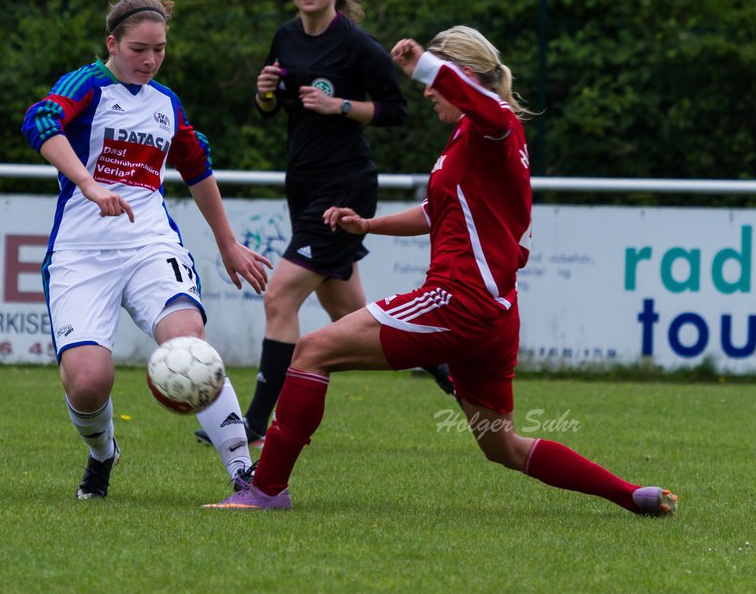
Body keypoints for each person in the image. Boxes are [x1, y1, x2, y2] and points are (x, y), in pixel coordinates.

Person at [207, 25, 677, 516]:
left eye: (436, 82)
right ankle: (632, 495)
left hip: (459, 299)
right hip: (493, 315)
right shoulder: (471, 140)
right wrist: (367, 223)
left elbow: (489, 109)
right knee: (504, 446)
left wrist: (425, 66)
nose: (429, 93)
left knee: (311, 350)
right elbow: (436, 212)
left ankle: (265, 490)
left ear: (463, 77)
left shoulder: (495, 128)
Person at [198, 0, 451, 451]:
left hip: (345, 187)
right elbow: (275, 106)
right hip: (304, 184)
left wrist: (341, 107)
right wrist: (265, 92)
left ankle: (253, 423)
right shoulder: (286, 37)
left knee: (280, 294)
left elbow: (397, 111)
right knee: (348, 316)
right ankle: (446, 364)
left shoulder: (358, 45)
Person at [22, 0, 273, 500]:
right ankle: (102, 455)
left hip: (149, 243)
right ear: (112, 43)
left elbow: (196, 165)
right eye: (139, 49)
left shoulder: (165, 102)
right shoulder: (86, 85)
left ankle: (245, 474)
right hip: (81, 253)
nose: (150, 60)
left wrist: (227, 244)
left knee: (190, 345)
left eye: (159, 50)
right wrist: (89, 185)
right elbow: (40, 122)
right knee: (90, 381)